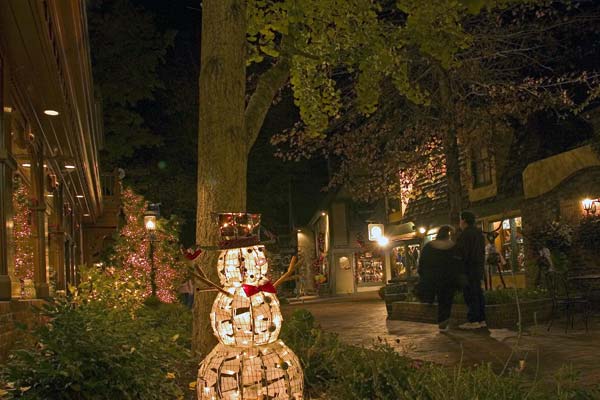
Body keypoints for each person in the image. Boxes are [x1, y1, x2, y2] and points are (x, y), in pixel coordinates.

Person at [417, 225, 463, 332]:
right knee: (446, 300)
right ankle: (443, 320)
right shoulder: (453, 247)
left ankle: (439, 318)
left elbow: (422, 263)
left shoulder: (429, 247)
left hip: (432, 279)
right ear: (448, 235)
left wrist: (423, 275)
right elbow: (458, 264)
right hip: (448, 279)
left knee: (435, 298)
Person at [456, 211, 487, 329]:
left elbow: (462, 253)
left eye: (460, 220)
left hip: (468, 269)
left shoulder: (465, 235)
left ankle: (473, 320)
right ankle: (481, 319)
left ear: (463, 221)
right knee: (478, 293)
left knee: (470, 294)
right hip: (478, 268)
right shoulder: (479, 234)